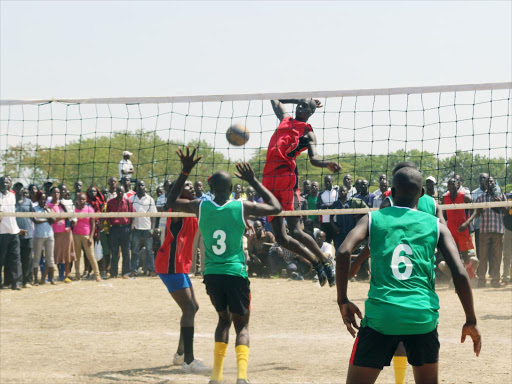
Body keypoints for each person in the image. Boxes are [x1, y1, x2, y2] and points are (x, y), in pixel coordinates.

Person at [336, 167, 481, 384]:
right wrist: (470, 319)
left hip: (381, 317)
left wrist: (343, 300)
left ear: (392, 192)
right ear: (421, 192)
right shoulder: (436, 225)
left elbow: (343, 251)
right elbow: (460, 272)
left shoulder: (373, 219)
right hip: (422, 316)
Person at [168, 147, 281, 384]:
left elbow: (170, 200)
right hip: (235, 273)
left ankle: (216, 377)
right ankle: (241, 378)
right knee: (242, 326)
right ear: (231, 189)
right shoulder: (242, 206)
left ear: (210, 189)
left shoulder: (200, 206)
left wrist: (185, 170)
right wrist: (253, 180)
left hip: (212, 274)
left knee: (223, 320)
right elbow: (276, 207)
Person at [261, 98, 341, 287]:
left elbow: (314, 158)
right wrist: (302, 99)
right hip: (268, 179)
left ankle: (325, 261)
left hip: (286, 178)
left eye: (305, 106)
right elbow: (276, 99)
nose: (300, 106)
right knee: (280, 237)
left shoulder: (307, 131)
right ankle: (315, 262)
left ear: (311, 112)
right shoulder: (285, 118)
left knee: (296, 230)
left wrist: (326, 164)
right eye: (300, 104)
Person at [154, 176, 208, 373]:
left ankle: (180, 354)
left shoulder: (191, 207)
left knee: (193, 307)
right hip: (169, 264)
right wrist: (184, 171)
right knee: (189, 307)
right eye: (187, 185)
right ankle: (188, 360)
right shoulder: (175, 208)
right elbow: (173, 197)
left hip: (179, 265)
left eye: (192, 185)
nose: (192, 188)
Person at [460, 176, 508, 288]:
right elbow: (476, 213)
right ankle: (482, 280)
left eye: (491, 181)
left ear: (494, 183)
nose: (489, 183)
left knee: (497, 256)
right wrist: (467, 223)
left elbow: (506, 212)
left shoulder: (501, 195)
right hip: (484, 229)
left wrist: (500, 203)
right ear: (485, 185)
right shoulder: (481, 197)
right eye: (487, 182)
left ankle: (495, 280)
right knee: (483, 256)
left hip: (498, 229)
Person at [442, 178, 478, 278]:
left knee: (466, 256)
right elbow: (443, 215)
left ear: (458, 185)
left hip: (463, 230)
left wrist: (466, 223)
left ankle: (471, 275)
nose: (451, 186)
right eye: (449, 185)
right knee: (453, 255)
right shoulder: (445, 198)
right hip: (451, 231)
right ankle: (457, 277)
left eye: (453, 184)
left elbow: (476, 210)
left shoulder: (464, 196)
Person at [47, 187, 75, 283]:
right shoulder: (48, 205)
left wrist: (63, 217)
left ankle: (66, 276)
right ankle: (51, 277)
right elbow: (52, 219)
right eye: (54, 192)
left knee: (67, 255)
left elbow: (69, 216)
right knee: (54, 255)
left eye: (58, 192)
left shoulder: (63, 205)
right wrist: (62, 217)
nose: (56, 194)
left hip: (66, 232)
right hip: (55, 233)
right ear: (51, 194)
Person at [73, 192, 102, 282]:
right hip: (75, 235)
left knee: (91, 255)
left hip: (86, 235)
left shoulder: (89, 209)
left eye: (83, 199)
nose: (81, 201)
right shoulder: (74, 210)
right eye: (80, 199)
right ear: (77, 200)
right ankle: (77, 275)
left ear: (86, 200)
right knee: (76, 256)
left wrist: (91, 237)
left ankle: (97, 275)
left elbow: (93, 224)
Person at [106, 185, 134, 278]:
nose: (120, 193)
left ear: (124, 192)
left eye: (122, 191)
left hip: (125, 229)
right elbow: (107, 216)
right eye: (119, 191)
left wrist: (131, 226)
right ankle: (113, 273)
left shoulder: (128, 202)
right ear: (116, 192)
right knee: (114, 252)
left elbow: (133, 214)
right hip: (114, 229)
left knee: (126, 251)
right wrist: (111, 225)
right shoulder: (110, 202)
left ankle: (126, 273)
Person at [130, 180, 157, 277]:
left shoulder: (150, 199)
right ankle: (134, 270)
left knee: (149, 250)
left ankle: (151, 270)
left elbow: (153, 216)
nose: (141, 187)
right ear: (136, 187)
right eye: (139, 185)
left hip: (147, 228)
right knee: (134, 250)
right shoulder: (131, 199)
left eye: (142, 185)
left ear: (145, 187)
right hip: (136, 228)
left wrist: (152, 229)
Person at [0, 176, 22, 290]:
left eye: (7, 183)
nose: (5, 185)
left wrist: (18, 229)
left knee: (15, 258)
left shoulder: (13, 196)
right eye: (3, 183)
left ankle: (16, 283)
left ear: (10, 184)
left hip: (13, 232)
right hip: (1, 233)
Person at [330, 185, 367, 251]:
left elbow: (367, 210)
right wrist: (334, 227)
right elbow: (331, 218)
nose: (342, 192)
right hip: (340, 231)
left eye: (344, 191)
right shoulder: (336, 203)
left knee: (353, 248)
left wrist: (357, 216)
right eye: (341, 191)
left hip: (351, 229)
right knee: (339, 249)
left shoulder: (353, 201)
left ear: (347, 192)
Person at [13, 183, 35, 288]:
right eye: (16, 187)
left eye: (20, 187)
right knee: (17, 259)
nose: (19, 189)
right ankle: (18, 281)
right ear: (14, 189)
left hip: (28, 234)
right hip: (15, 234)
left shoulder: (29, 202)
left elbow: (34, 217)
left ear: (23, 189)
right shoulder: (11, 202)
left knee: (28, 259)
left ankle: (28, 280)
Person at [32, 192, 55, 286]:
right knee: (37, 258)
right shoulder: (34, 209)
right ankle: (36, 280)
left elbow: (53, 220)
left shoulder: (49, 209)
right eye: (41, 199)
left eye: (44, 199)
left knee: (50, 258)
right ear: (38, 199)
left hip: (49, 235)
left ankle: (52, 279)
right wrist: (46, 219)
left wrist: (48, 212)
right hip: (38, 236)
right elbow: (36, 220)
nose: (43, 200)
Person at [471, 173, 488, 258]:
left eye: (484, 178)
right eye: (481, 178)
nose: (482, 180)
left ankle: (491, 270)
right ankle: (480, 269)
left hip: (491, 226)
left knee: (490, 250)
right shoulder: (474, 193)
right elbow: (471, 210)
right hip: (479, 226)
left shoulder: (494, 192)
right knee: (479, 249)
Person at [317, 175, 338, 244]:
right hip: (325, 221)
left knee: (336, 241)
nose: (327, 183)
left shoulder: (337, 192)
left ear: (332, 182)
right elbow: (319, 205)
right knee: (326, 242)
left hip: (336, 220)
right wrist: (328, 205)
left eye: (329, 181)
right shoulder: (321, 193)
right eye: (326, 182)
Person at [503, 190, 512, 284]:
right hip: (509, 228)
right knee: (507, 255)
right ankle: (505, 277)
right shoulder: (507, 195)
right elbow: (505, 212)